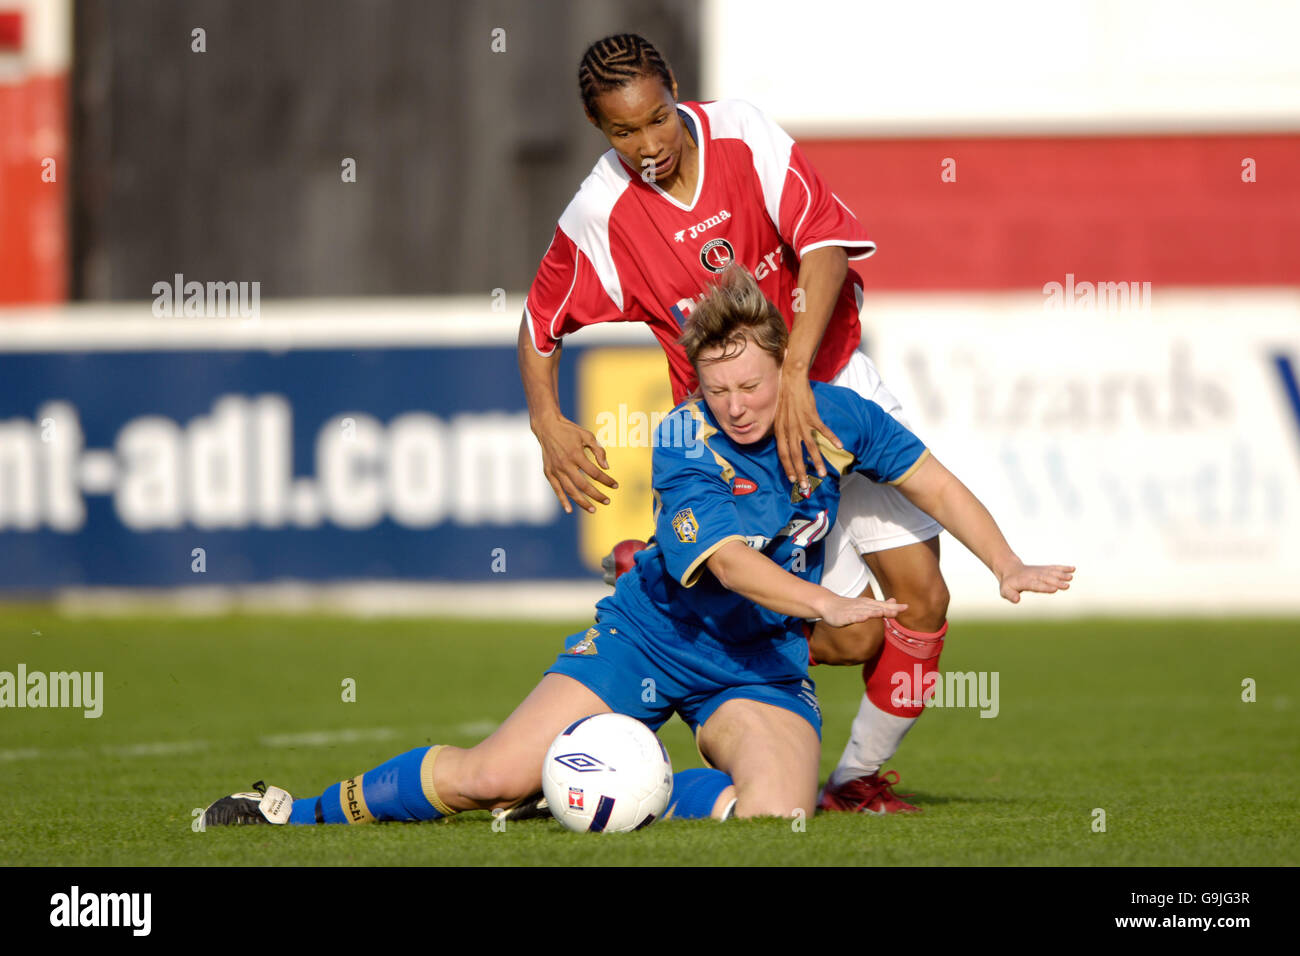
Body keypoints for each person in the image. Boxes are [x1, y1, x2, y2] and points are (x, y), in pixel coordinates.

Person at [203, 267, 1072, 827]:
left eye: (752, 385)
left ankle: (588, 789)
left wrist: (1005, 562)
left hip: (758, 661)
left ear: (785, 368)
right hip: (652, 635)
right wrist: (827, 603)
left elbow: (936, 484)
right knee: (488, 776)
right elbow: (732, 562)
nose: (736, 405)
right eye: (718, 387)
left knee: (778, 816)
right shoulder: (684, 441)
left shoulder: (836, 417)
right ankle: (297, 812)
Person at [519, 33, 953, 811]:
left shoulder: (743, 135)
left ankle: (857, 781)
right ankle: (668, 589)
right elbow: (540, 319)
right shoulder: (600, 213)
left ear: (677, 90)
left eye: (657, 119)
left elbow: (824, 247)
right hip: (733, 432)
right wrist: (547, 420)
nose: (648, 145)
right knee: (852, 636)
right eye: (624, 132)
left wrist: (795, 375)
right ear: (599, 130)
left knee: (922, 601)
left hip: (832, 382)